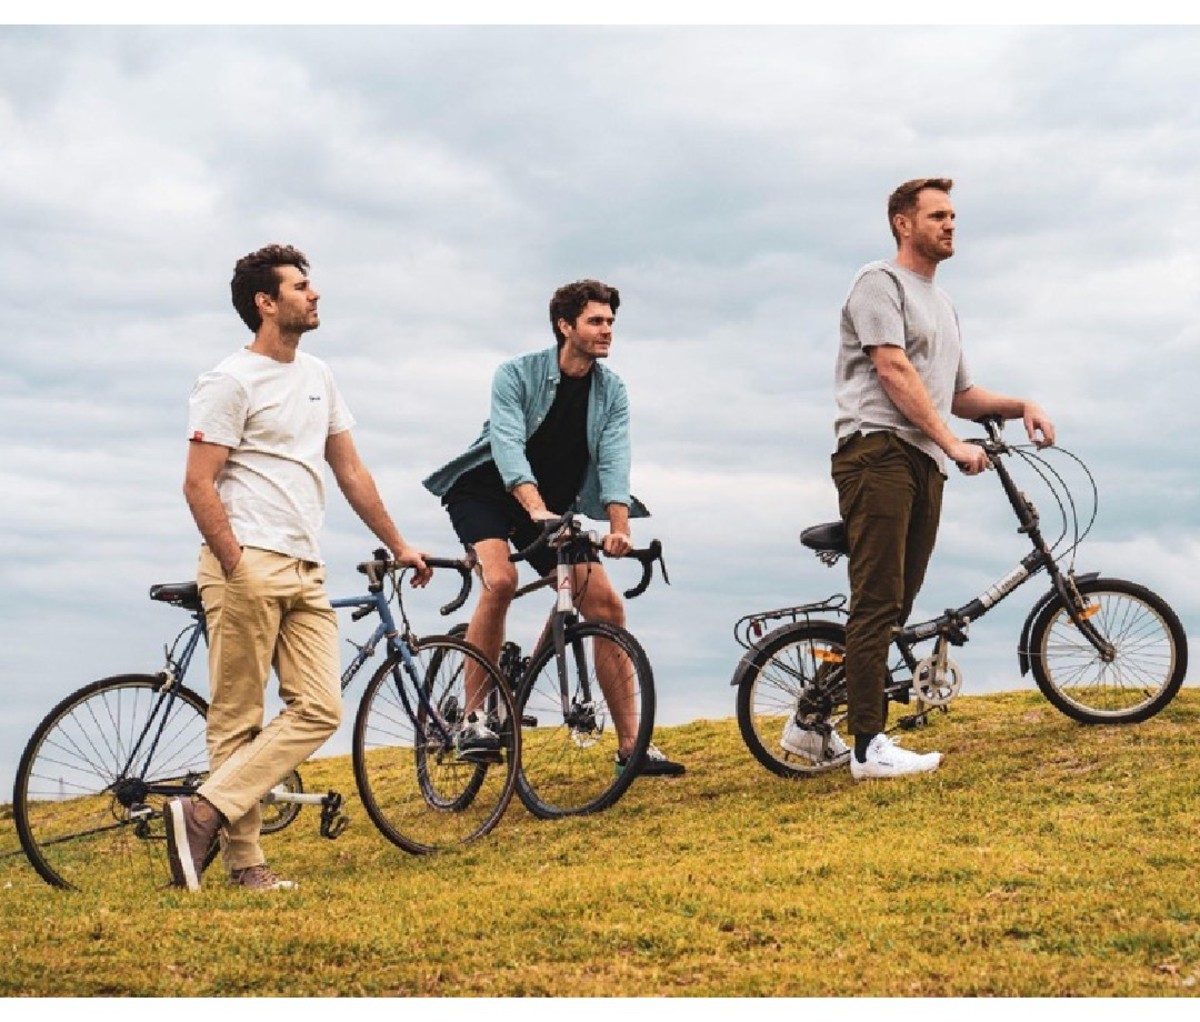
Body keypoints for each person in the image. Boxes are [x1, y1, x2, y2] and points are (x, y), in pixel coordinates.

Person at [168, 243, 432, 891]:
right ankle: (245, 865)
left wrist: (399, 543)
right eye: (300, 286)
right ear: (266, 302)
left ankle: (202, 810)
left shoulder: (318, 374)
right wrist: (234, 561)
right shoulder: (229, 381)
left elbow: (350, 471)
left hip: (306, 565)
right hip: (247, 564)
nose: (314, 295)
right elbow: (198, 484)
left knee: (319, 708)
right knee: (237, 718)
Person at [808, 178, 1055, 780]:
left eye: (953, 216)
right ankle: (868, 746)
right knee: (877, 600)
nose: (950, 225)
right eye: (937, 215)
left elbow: (960, 395)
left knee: (895, 601)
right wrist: (951, 441)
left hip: (923, 460)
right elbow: (891, 369)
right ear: (903, 223)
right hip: (877, 451)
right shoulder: (879, 283)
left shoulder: (942, 305)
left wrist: (1020, 404)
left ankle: (810, 718)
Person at [423, 279, 685, 777]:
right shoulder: (516, 375)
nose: (606, 330)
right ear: (566, 326)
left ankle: (632, 747)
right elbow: (506, 446)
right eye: (595, 321)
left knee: (604, 604)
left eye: (610, 321)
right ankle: (475, 718)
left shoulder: (611, 390)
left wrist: (619, 527)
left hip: (552, 506)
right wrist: (534, 507)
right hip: (488, 493)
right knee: (501, 581)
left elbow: (614, 460)